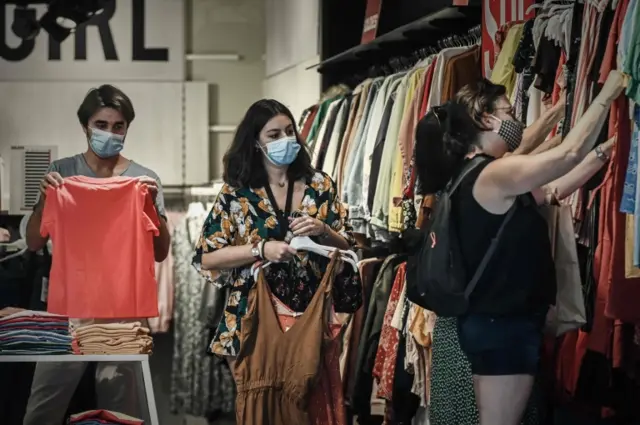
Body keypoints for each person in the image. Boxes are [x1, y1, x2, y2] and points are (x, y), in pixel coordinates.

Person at [414, 71, 626, 425]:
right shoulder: (493, 174)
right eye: (508, 112)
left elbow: (554, 190)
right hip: (503, 325)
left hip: (498, 324)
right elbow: (569, 153)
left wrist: (609, 148)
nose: (514, 121)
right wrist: (609, 92)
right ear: (486, 118)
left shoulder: (475, 175)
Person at [22, 84, 169, 425]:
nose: (110, 133)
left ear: (127, 129)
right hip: (68, 309)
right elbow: (32, 242)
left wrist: (151, 207)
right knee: (43, 406)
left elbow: (161, 253)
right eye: (101, 125)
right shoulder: (63, 174)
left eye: (119, 127)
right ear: (85, 126)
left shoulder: (143, 180)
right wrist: (46, 198)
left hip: (124, 312)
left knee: (119, 410)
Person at [192, 98, 362, 362]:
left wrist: (323, 229)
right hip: (252, 314)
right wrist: (260, 249)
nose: (286, 139)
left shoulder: (320, 185)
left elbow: (348, 245)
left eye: (289, 131)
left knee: (307, 399)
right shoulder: (238, 192)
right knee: (257, 399)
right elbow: (206, 256)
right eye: (274, 134)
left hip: (311, 313)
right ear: (256, 143)